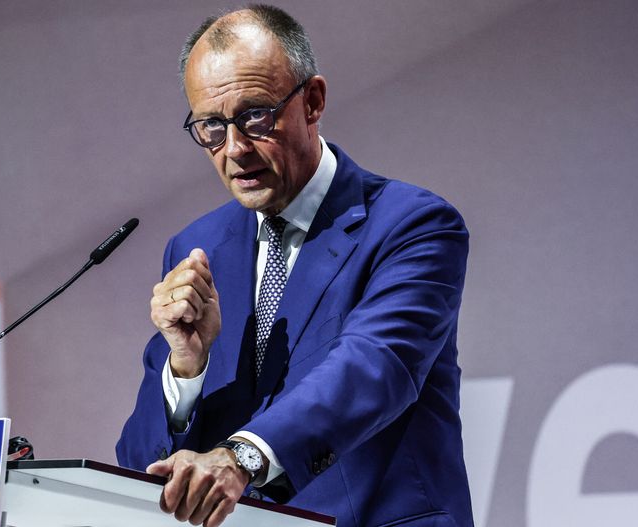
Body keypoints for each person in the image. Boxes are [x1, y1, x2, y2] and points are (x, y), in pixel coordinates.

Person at [117, 5, 472, 527]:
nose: (234, 148)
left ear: (313, 101)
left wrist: (242, 457)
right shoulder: (197, 247)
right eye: (211, 125)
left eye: (255, 115)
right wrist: (186, 368)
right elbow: (138, 465)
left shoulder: (412, 225)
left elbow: (374, 368)